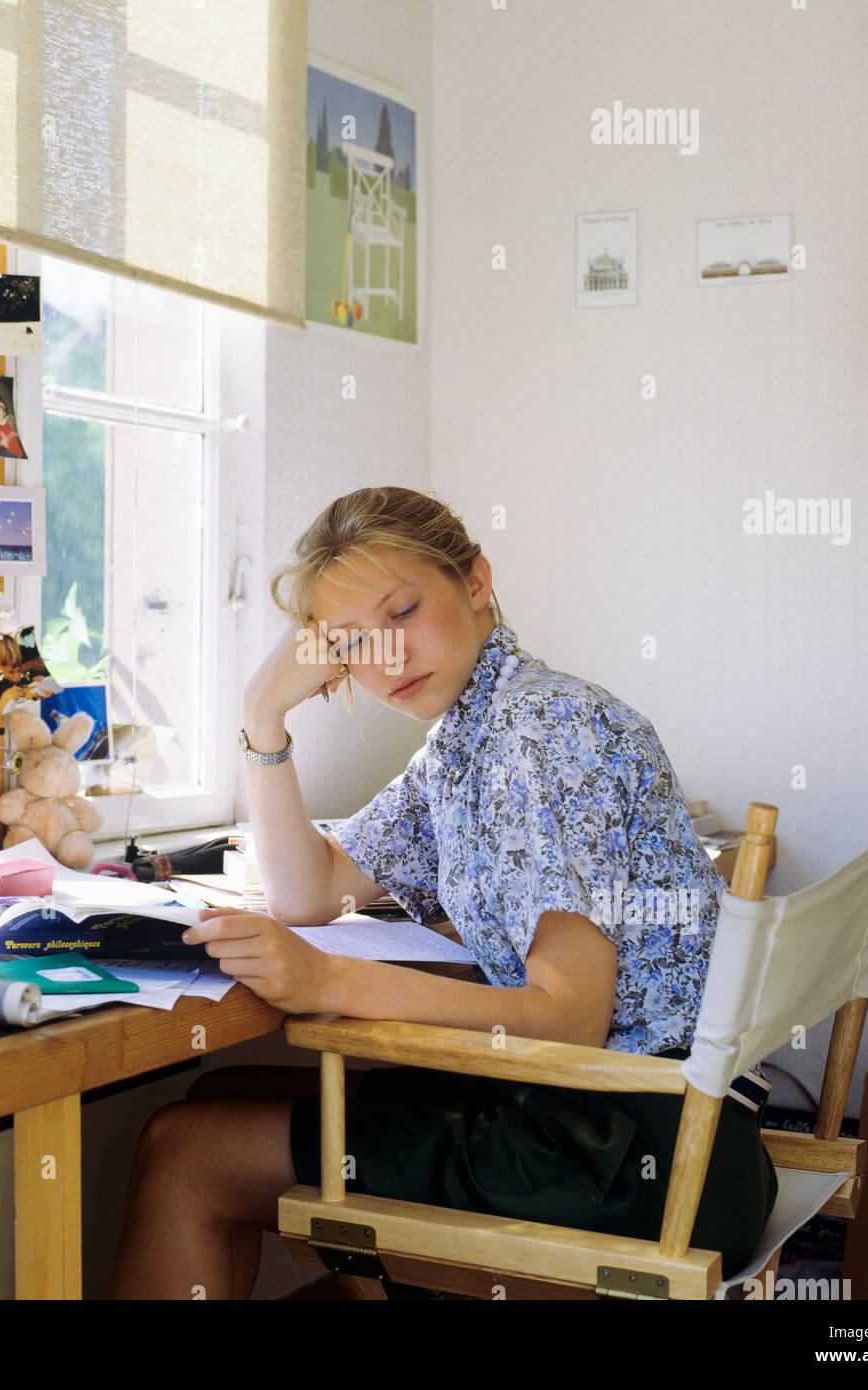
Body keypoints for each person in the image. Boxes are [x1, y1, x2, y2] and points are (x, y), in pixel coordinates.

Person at [107, 485, 777, 1300]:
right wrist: (263, 716)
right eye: (352, 641)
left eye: (402, 612)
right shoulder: (469, 735)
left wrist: (328, 983)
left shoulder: (538, 732)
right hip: (643, 1126)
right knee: (221, 1094)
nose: (384, 658)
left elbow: (567, 1017)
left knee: (187, 1148)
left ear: (477, 581)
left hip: (641, 1152)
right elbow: (308, 891)